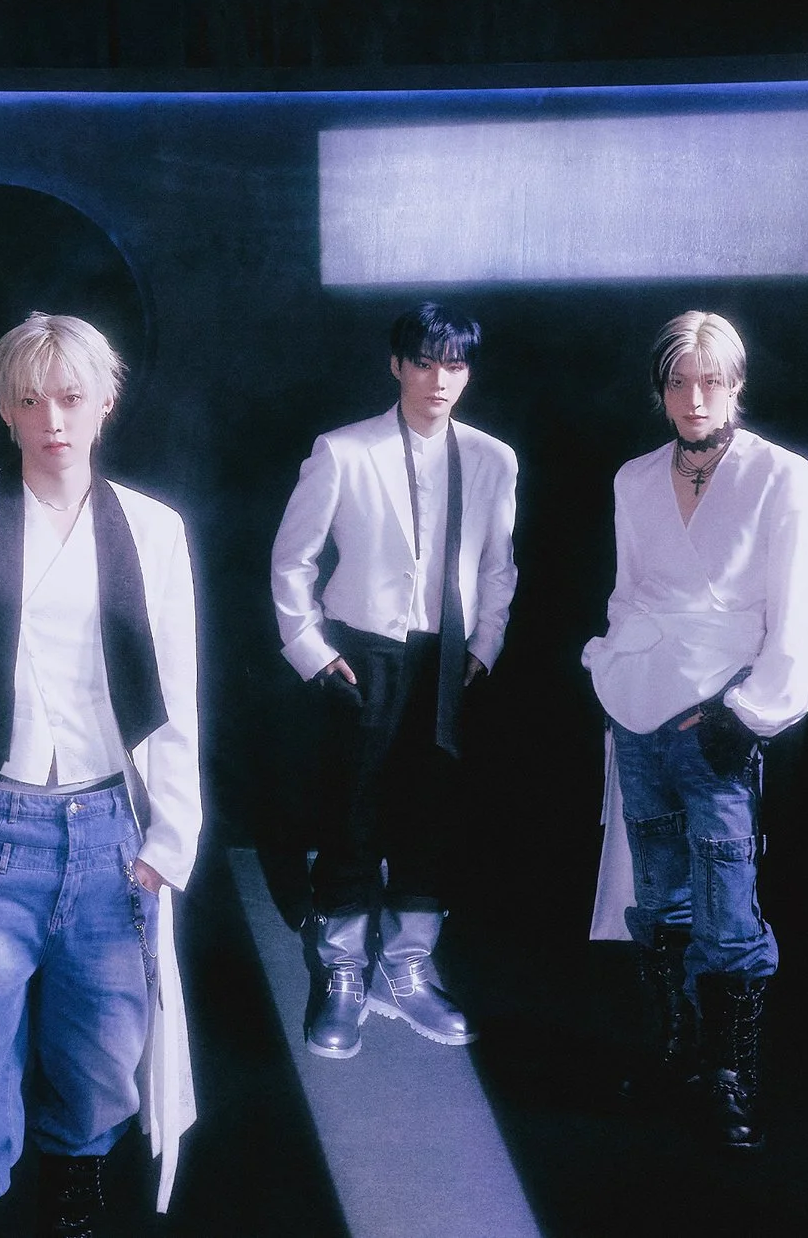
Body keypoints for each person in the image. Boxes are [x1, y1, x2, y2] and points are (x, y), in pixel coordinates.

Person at [0, 314, 201, 1237]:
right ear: (6, 410)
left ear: (105, 402)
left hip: (111, 823)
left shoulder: (154, 530)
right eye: (29, 399)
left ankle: (77, 1164)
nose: (52, 418)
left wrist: (171, 836)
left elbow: (176, 695)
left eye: (69, 397)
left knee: (103, 1032)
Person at [581, 311, 808, 1150]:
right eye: (679, 381)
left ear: (736, 384)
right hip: (639, 708)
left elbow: (792, 612)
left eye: (711, 380)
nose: (694, 397)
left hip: (719, 712)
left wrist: (750, 714)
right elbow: (627, 591)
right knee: (659, 897)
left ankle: (729, 1075)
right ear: (661, 388)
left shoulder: (781, 476)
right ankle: (677, 1054)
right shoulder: (635, 477)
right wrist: (614, 670)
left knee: (727, 900)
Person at [269, 302, 519, 1060]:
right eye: (424, 363)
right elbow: (292, 559)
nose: (439, 379)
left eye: (455, 365)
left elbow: (498, 565)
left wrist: (485, 644)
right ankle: (342, 968)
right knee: (352, 810)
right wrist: (311, 649)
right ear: (397, 366)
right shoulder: (344, 451)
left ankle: (409, 964)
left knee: (430, 812)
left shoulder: (493, 458)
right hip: (363, 652)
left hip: (448, 656)